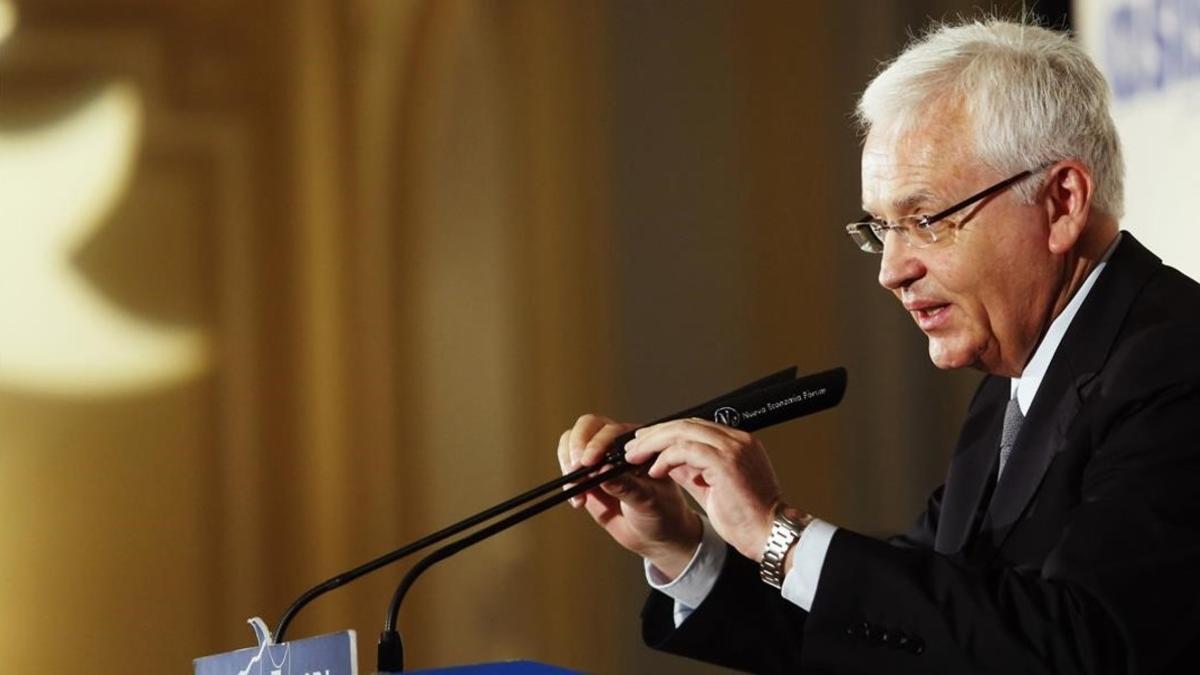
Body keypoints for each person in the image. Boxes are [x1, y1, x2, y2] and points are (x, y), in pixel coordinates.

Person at [556, 18, 1200, 674]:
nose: (891, 270)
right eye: (879, 228)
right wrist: (685, 548)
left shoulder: (1177, 364)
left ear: (1061, 202)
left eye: (923, 220)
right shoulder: (1013, 385)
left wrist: (777, 530)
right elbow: (912, 632)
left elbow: (1078, 647)